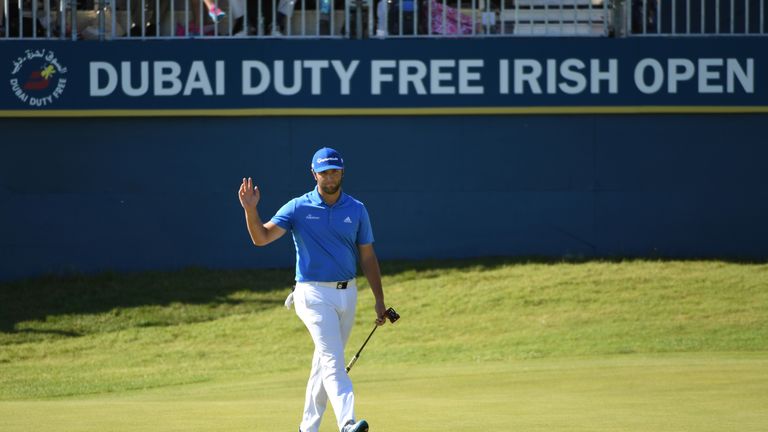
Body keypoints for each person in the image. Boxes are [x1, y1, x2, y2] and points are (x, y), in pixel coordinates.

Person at [238, 147, 386, 432]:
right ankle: (347, 422)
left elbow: (367, 256)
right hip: (312, 294)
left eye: (334, 171)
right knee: (333, 361)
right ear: (313, 173)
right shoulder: (298, 207)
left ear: (342, 171)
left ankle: (307, 428)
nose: (329, 177)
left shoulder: (356, 209)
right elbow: (261, 237)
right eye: (324, 172)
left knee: (324, 364)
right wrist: (250, 210)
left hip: (348, 292)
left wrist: (379, 299)